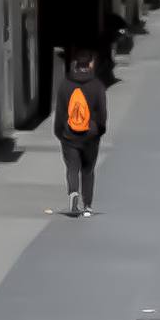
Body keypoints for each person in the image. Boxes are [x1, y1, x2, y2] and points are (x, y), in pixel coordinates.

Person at [53, 49, 108, 217]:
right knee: (88, 170)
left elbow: (61, 112)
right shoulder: (97, 85)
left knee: (72, 168)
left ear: (75, 64)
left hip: (69, 134)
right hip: (91, 136)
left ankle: (73, 192)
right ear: (90, 63)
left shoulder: (65, 85)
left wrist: (60, 132)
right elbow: (102, 112)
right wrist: (99, 130)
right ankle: (88, 206)